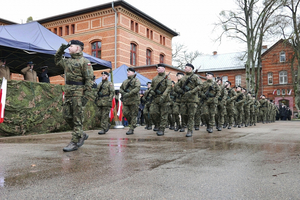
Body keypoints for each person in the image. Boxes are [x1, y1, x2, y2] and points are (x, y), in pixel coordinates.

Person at [55, 40, 94, 152]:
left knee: (77, 119)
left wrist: (85, 97)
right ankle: (81, 133)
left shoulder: (84, 62)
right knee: (66, 116)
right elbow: (57, 59)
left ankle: (75, 142)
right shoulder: (67, 61)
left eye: (71, 46)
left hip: (78, 94)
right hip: (68, 93)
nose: (69, 48)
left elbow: (89, 81)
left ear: (77, 48)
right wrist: (62, 48)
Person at [175, 63, 202, 137]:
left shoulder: (195, 77)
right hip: (184, 100)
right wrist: (181, 91)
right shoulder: (183, 78)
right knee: (183, 114)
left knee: (191, 115)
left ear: (190, 68)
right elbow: (176, 86)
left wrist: (191, 91)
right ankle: (186, 126)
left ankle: (190, 130)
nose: (184, 68)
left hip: (192, 100)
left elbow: (200, 85)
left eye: (186, 67)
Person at [149, 64, 172, 136]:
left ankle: (162, 129)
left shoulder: (167, 78)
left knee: (164, 115)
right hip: (155, 98)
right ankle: (157, 125)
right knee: (153, 113)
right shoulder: (155, 78)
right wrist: (151, 91)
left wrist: (163, 96)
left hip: (164, 99)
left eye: (159, 68)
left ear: (163, 69)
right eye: (157, 68)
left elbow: (169, 88)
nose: (157, 70)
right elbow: (151, 87)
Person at [119, 67, 141, 135]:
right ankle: (132, 123)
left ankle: (131, 129)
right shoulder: (125, 81)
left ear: (133, 73)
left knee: (134, 114)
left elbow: (137, 88)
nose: (127, 73)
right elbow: (120, 89)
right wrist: (124, 93)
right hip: (126, 101)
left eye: (129, 72)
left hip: (134, 100)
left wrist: (129, 93)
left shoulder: (136, 80)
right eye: (127, 72)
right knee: (125, 113)